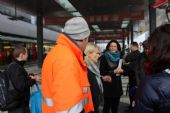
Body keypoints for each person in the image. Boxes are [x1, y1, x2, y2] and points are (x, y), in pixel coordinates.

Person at [42, 17, 94, 113]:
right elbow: (68, 106)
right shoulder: (67, 59)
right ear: (84, 38)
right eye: (88, 39)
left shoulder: (57, 52)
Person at [134, 24, 170, 113]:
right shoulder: (141, 57)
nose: (148, 50)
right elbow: (137, 70)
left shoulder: (152, 84)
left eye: (150, 47)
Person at [7, 45, 41, 113]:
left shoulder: (15, 65)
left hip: (19, 105)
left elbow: (19, 80)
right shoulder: (16, 68)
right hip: (18, 107)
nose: (28, 55)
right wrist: (33, 80)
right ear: (21, 55)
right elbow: (21, 85)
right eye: (26, 53)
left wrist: (30, 77)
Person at [99, 40, 123, 113]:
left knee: (115, 107)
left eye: (115, 46)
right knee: (107, 106)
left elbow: (122, 68)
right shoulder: (104, 57)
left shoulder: (120, 57)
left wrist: (122, 70)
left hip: (117, 84)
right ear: (108, 47)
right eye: (111, 46)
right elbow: (102, 71)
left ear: (117, 47)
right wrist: (113, 71)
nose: (113, 48)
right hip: (108, 83)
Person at [84, 43, 103, 113]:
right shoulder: (86, 70)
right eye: (97, 53)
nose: (99, 55)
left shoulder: (92, 69)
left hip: (93, 106)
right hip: (90, 108)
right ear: (89, 54)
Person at [124, 42, 141, 111]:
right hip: (133, 77)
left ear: (135, 46)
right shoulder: (136, 54)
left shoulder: (137, 55)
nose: (130, 48)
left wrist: (126, 63)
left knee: (133, 93)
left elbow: (127, 60)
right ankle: (132, 106)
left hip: (135, 78)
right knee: (132, 93)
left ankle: (133, 107)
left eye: (131, 47)